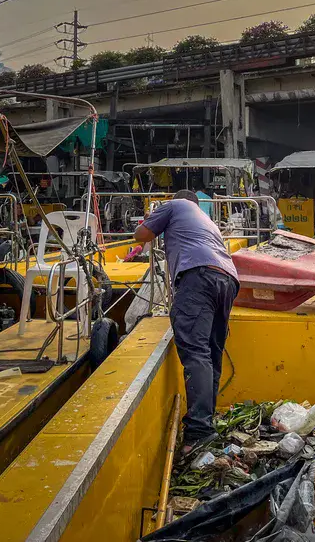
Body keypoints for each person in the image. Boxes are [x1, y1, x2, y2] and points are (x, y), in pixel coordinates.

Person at [134, 189, 240, 455]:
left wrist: (150, 219)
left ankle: (199, 432)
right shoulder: (206, 221)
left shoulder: (174, 205)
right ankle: (207, 421)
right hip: (227, 280)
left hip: (198, 276)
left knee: (195, 352)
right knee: (212, 354)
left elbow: (142, 236)